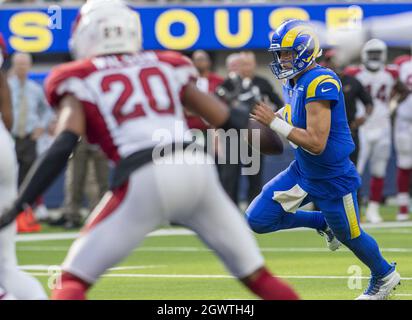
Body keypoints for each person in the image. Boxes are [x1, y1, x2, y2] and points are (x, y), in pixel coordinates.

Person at [0, 0, 298, 301]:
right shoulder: (166, 64)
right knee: (258, 276)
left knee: (71, 281)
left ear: (86, 34)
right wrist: (270, 140)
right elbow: (225, 117)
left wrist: (20, 203)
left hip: (145, 172)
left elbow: (65, 141)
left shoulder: (78, 76)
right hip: (196, 166)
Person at [247, 19, 400, 300]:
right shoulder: (294, 81)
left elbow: (317, 143)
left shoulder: (321, 81)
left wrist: (275, 124)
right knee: (257, 219)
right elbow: (296, 111)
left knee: (351, 237)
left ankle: (384, 275)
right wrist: (273, 119)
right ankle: (322, 222)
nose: (281, 59)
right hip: (303, 172)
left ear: (304, 51)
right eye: (279, 53)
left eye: (286, 53)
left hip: (332, 178)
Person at [0, 32, 47, 300]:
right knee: (6, 266)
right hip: (4, 141)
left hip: (17, 139)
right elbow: (6, 113)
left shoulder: (34, 89)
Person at [217, 51, 283, 205]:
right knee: (230, 175)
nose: (246, 68)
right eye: (243, 64)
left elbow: (278, 104)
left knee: (254, 174)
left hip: (255, 135)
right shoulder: (229, 83)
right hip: (232, 135)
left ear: (254, 65)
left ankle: (253, 208)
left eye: (248, 64)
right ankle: (230, 208)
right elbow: (217, 105)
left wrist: (270, 120)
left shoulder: (262, 83)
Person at [345, 39, 398, 223]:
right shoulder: (354, 73)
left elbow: (400, 89)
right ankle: (355, 207)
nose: (374, 57)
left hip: (383, 125)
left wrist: (393, 102)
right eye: (372, 53)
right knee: (355, 169)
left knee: (379, 169)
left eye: (377, 53)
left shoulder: (391, 73)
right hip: (363, 126)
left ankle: (374, 209)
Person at [8, 52, 53, 232]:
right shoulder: (6, 87)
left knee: (30, 174)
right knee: (9, 176)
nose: (21, 68)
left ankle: (29, 209)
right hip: (10, 137)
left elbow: (47, 110)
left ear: (29, 66)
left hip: (29, 137)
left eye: (24, 64)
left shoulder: (35, 88)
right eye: (18, 64)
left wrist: (41, 127)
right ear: (13, 65)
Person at [322, 49, 373, 166]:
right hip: (327, 133)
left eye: (337, 60)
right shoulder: (321, 82)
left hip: (350, 131)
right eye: (331, 61)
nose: (335, 63)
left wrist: (363, 118)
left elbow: (369, 102)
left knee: (352, 169)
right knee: (330, 171)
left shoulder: (353, 81)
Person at [393, 54, 412, 221]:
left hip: (404, 121)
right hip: (404, 121)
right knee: (404, 164)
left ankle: (403, 208)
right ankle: (403, 206)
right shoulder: (401, 65)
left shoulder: (402, 65)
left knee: (404, 165)